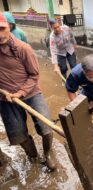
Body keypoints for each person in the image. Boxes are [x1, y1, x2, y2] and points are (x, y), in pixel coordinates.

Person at [0, 13, 56, 170]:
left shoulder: (23, 48)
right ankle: (33, 156)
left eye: (1, 29)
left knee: (46, 127)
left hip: (30, 92)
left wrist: (19, 93)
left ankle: (48, 152)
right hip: (5, 98)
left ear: (9, 27)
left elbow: (34, 75)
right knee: (18, 135)